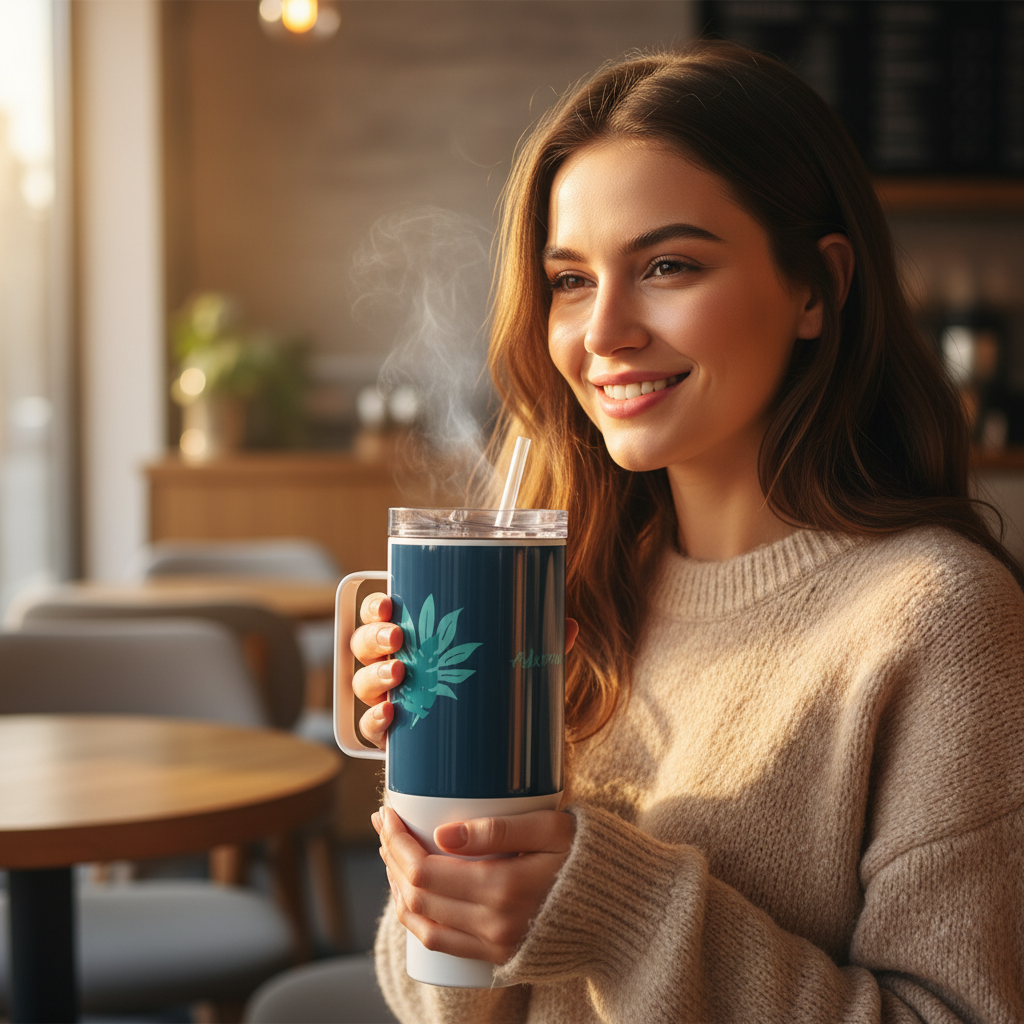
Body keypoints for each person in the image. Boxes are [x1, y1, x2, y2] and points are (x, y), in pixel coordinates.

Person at [349, 41, 1024, 1024]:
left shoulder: (936, 619)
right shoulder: (570, 586)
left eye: (667, 265)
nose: (604, 330)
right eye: (570, 280)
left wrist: (606, 908)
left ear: (814, 288)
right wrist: (438, 802)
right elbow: (442, 1006)